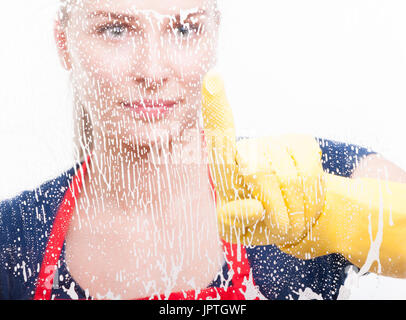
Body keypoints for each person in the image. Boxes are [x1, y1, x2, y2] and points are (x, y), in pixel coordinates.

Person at [0, 0, 405, 300]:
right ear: (64, 43)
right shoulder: (12, 240)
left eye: (183, 29)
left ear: (213, 35)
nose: (153, 71)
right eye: (116, 30)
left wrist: (342, 218)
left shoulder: (305, 179)